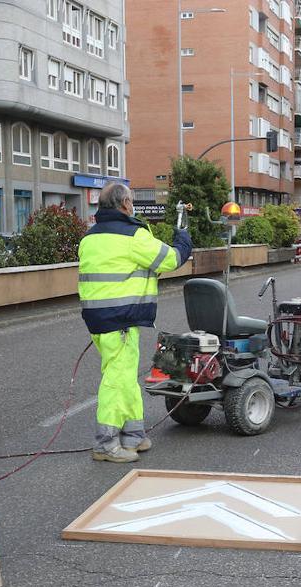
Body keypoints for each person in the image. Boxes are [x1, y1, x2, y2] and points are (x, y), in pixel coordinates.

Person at [78, 183, 193, 462]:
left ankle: (134, 435)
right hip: (120, 321)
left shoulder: (90, 237)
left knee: (126, 377)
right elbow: (172, 259)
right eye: (131, 201)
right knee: (117, 380)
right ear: (126, 204)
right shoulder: (133, 236)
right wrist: (183, 235)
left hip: (99, 319)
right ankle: (105, 444)